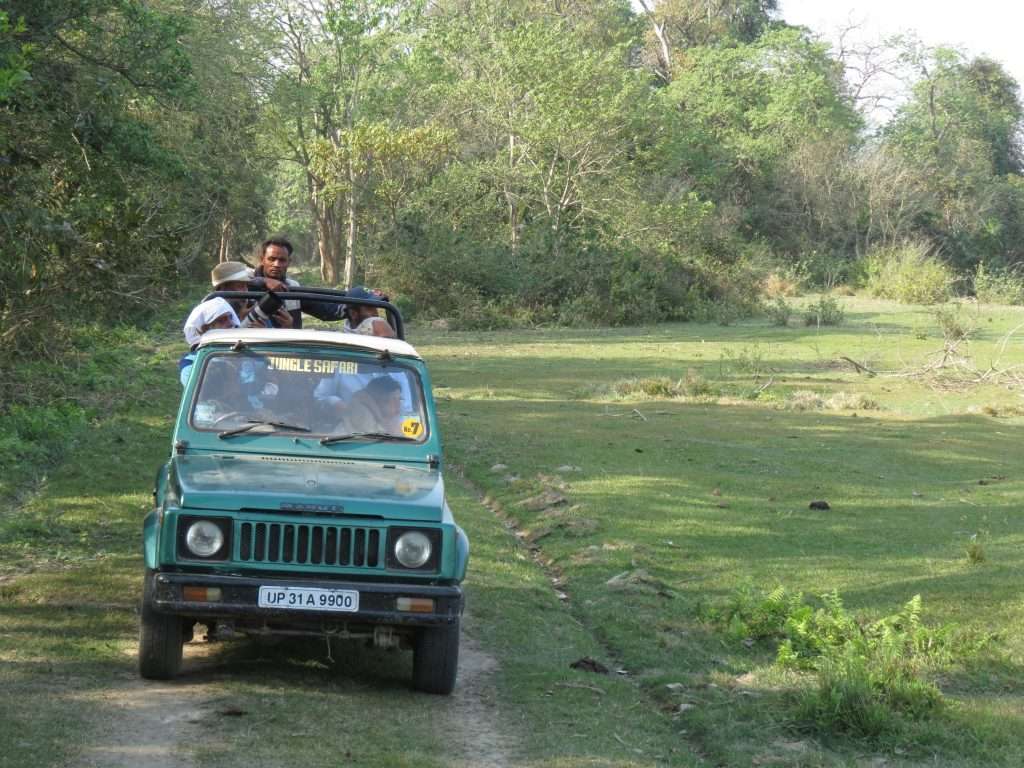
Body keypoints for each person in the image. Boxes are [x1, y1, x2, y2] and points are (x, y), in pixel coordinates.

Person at [254, 237, 345, 328]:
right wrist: (263, 281)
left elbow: (326, 310)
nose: (277, 264)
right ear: (262, 260)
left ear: (289, 262)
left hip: (288, 341)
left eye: (282, 260)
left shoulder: (293, 287)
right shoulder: (245, 284)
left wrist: (352, 307)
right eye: (271, 259)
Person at [211, 260, 293, 328]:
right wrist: (241, 321)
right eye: (240, 286)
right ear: (222, 289)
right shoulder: (211, 313)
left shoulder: (255, 310)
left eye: (246, 286)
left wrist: (286, 327)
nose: (245, 291)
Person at [179, 298, 240, 386]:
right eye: (222, 320)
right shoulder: (191, 365)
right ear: (205, 329)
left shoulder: (239, 351)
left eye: (230, 317)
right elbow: (204, 395)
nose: (231, 323)